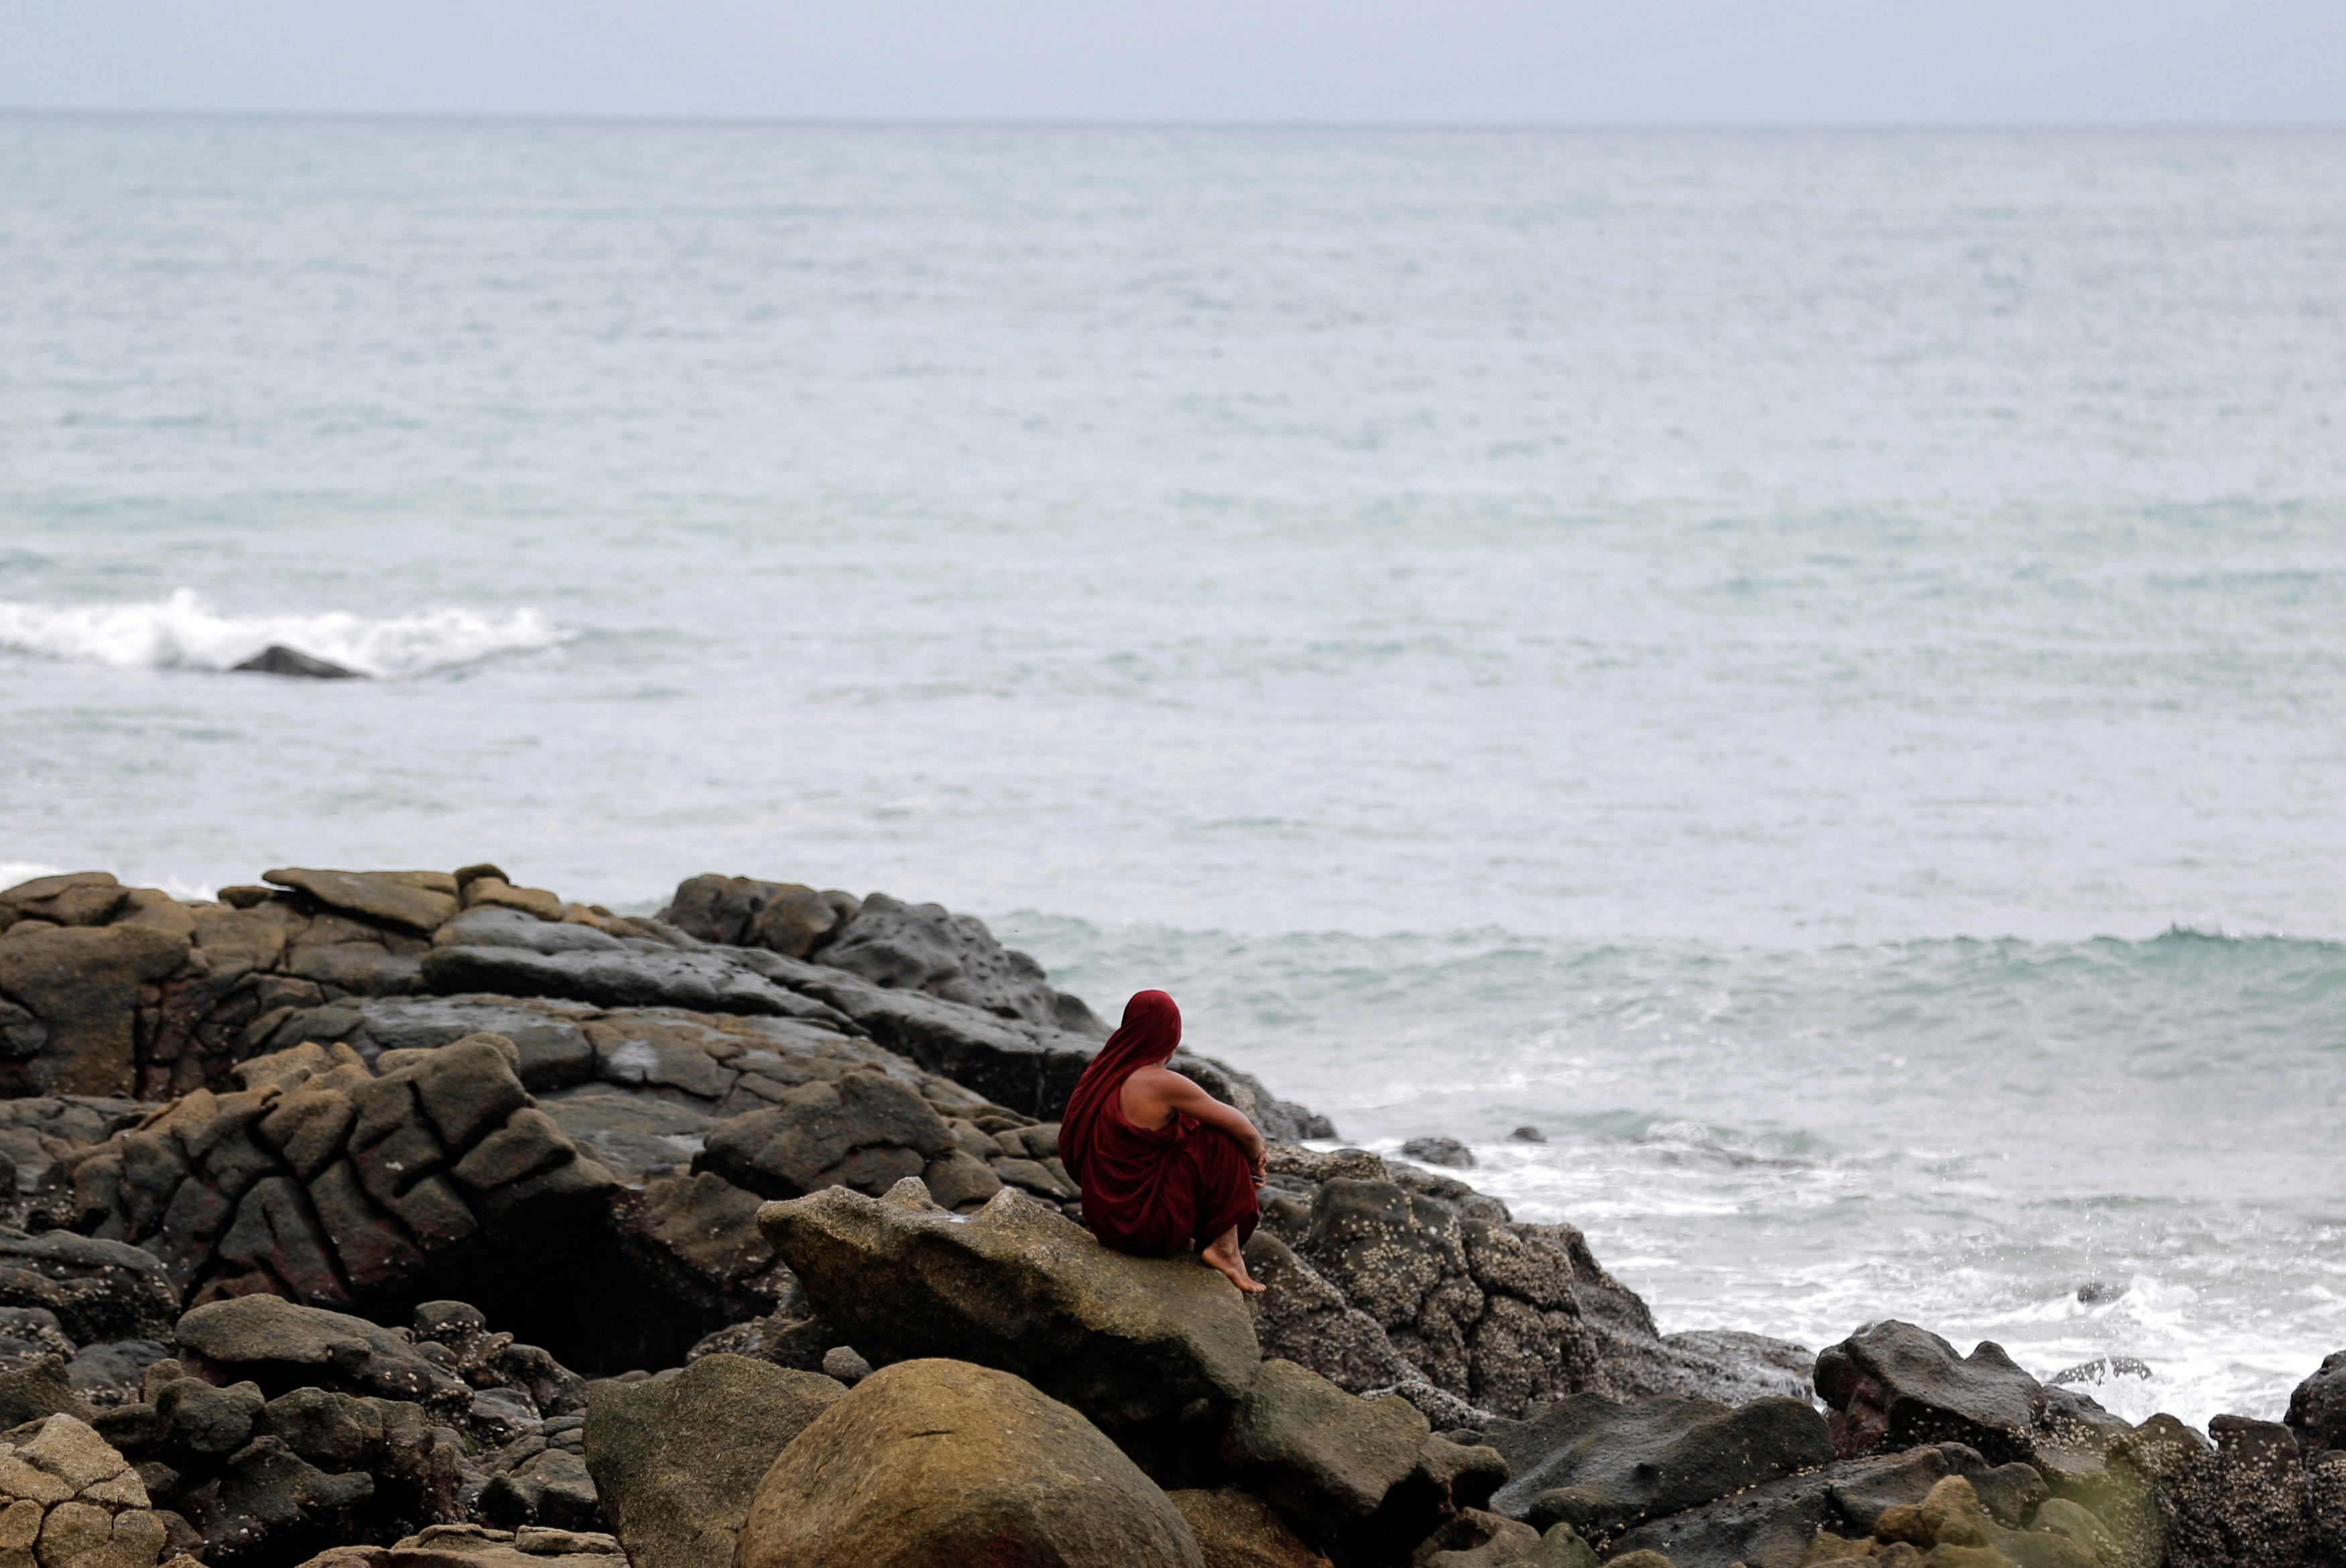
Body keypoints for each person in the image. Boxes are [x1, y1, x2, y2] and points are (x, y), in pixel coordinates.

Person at [1057, 989, 1268, 1293]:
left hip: (1106, 1225)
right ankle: (1225, 1250)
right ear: (1171, 1034)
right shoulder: (1159, 1082)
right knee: (1219, 1138)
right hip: (1142, 1231)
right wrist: (1254, 1159)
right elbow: (1245, 1130)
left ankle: (1207, 1241)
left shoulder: (1104, 1073)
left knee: (1192, 1134)